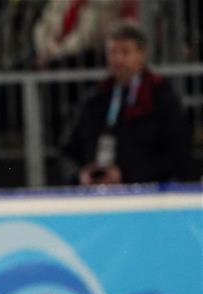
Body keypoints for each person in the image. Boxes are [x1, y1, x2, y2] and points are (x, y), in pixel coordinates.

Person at [61, 21, 191, 185]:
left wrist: (127, 175)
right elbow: (68, 152)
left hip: (148, 195)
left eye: (125, 52)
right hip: (96, 196)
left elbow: (177, 155)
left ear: (141, 55)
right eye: (113, 52)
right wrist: (80, 175)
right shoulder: (95, 98)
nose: (118, 59)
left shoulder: (160, 97)